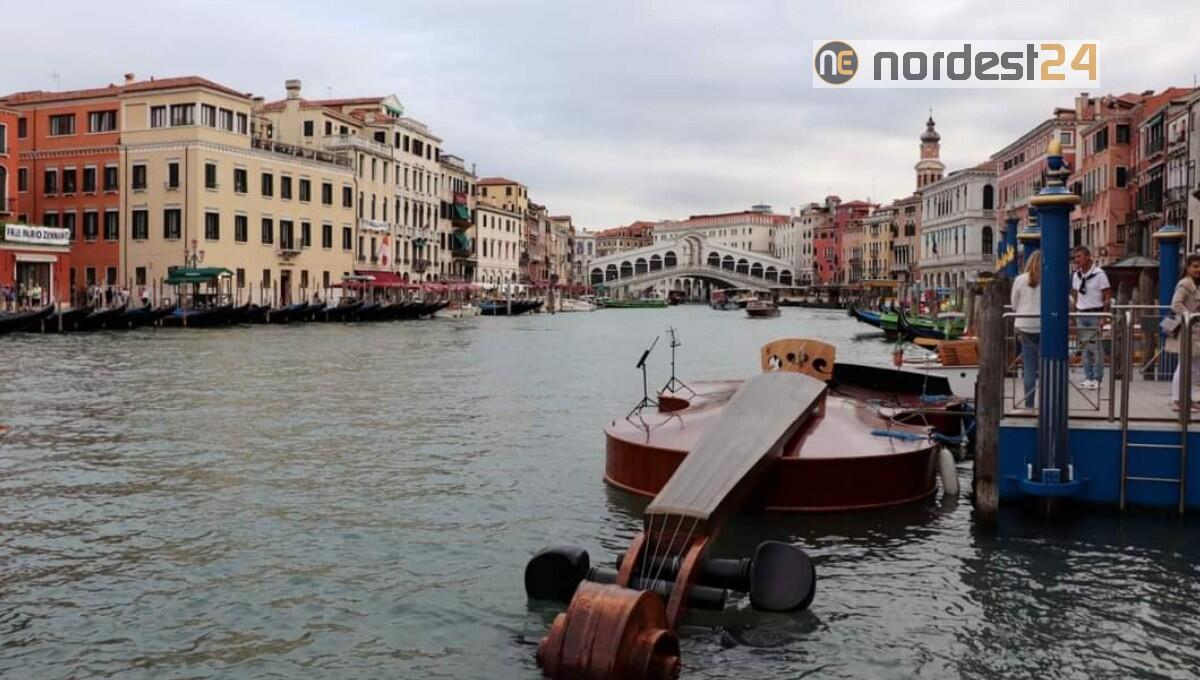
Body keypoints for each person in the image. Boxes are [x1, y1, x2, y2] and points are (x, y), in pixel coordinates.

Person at [1070, 246, 1111, 389]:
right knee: (1084, 347)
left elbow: (1107, 295)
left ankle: (1098, 378)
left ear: (1087, 257)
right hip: (1081, 313)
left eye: (1079, 257)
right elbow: (1075, 294)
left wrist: (1104, 315)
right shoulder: (1076, 275)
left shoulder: (1099, 274)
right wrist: (1074, 313)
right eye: (1075, 257)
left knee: (1097, 348)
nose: (1076, 260)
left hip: (1095, 313)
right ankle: (1088, 377)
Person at [1166, 254, 1200, 411]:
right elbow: (1176, 304)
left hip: (1195, 330)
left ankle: (1188, 398)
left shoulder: (1196, 284)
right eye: (1195, 266)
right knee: (1185, 365)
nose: (1198, 269)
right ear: (1187, 268)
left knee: (1192, 366)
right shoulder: (1185, 284)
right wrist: (1190, 317)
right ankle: (1178, 399)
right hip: (1188, 329)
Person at [1011, 250, 1042, 409]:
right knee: (1046, 365)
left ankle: (1029, 405)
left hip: (1024, 325)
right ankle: (1047, 403)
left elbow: (1014, 304)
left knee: (1029, 367)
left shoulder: (1020, 279)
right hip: (1044, 325)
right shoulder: (1050, 279)